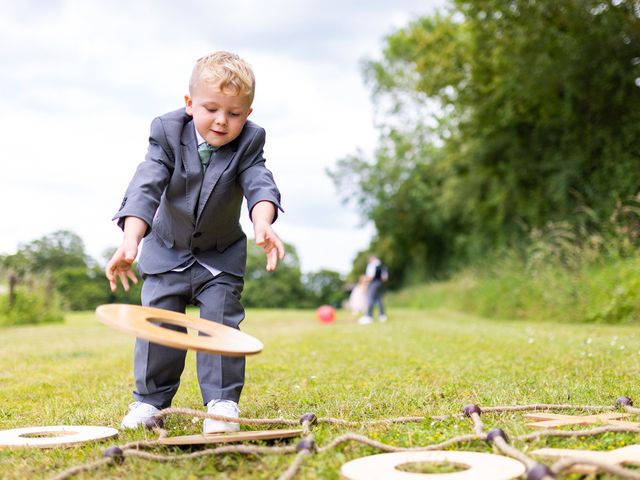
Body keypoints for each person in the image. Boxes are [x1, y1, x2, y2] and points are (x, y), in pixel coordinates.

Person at [105, 51, 284, 434]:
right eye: (211, 109)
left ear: (248, 113)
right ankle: (149, 402)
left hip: (219, 257)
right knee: (159, 328)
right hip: (166, 252)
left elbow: (259, 182)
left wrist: (262, 222)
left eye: (234, 113)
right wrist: (131, 238)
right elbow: (146, 184)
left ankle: (222, 403)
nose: (222, 120)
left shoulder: (249, 142)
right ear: (189, 104)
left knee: (220, 323)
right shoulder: (167, 132)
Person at [358, 255, 388, 325]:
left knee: (370, 298)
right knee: (379, 299)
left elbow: (371, 277)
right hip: (379, 283)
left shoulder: (372, 265)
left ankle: (369, 316)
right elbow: (385, 278)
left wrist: (364, 279)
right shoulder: (382, 266)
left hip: (373, 283)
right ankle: (382, 316)